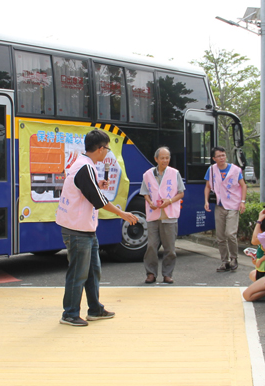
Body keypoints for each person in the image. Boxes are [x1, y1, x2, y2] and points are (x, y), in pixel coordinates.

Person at [55, 129, 138, 327]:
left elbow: (86, 190)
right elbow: (99, 201)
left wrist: (97, 184)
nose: (107, 152)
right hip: (77, 230)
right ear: (100, 149)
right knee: (78, 272)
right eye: (107, 149)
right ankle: (70, 313)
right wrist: (122, 213)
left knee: (92, 270)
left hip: (84, 228)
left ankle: (94, 308)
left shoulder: (83, 165)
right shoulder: (85, 167)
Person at [141, 146, 184, 284]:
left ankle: (167, 274)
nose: (165, 160)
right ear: (156, 159)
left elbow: (181, 193)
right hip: (154, 214)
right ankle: (151, 274)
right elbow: (145, 193)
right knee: (151, 247)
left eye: (167, 158)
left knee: (170, 248)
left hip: (169, 215)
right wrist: (150, 202)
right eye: (162, 158)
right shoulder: (147, 174)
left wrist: (169, 201)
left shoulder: (174, 173)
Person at [204, 146, 247, 272]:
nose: (222, 158)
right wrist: (206, 201)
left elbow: (243, 186)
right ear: (214, 158)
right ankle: (225, 261)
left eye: (223, 155)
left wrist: (242, 202)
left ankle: (234, 258)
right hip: (220, 205)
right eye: (219, 156)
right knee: (220, 236)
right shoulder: (211, 170)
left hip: (233, 205)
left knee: (230, 233)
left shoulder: (235, 170)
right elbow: (207, 186)